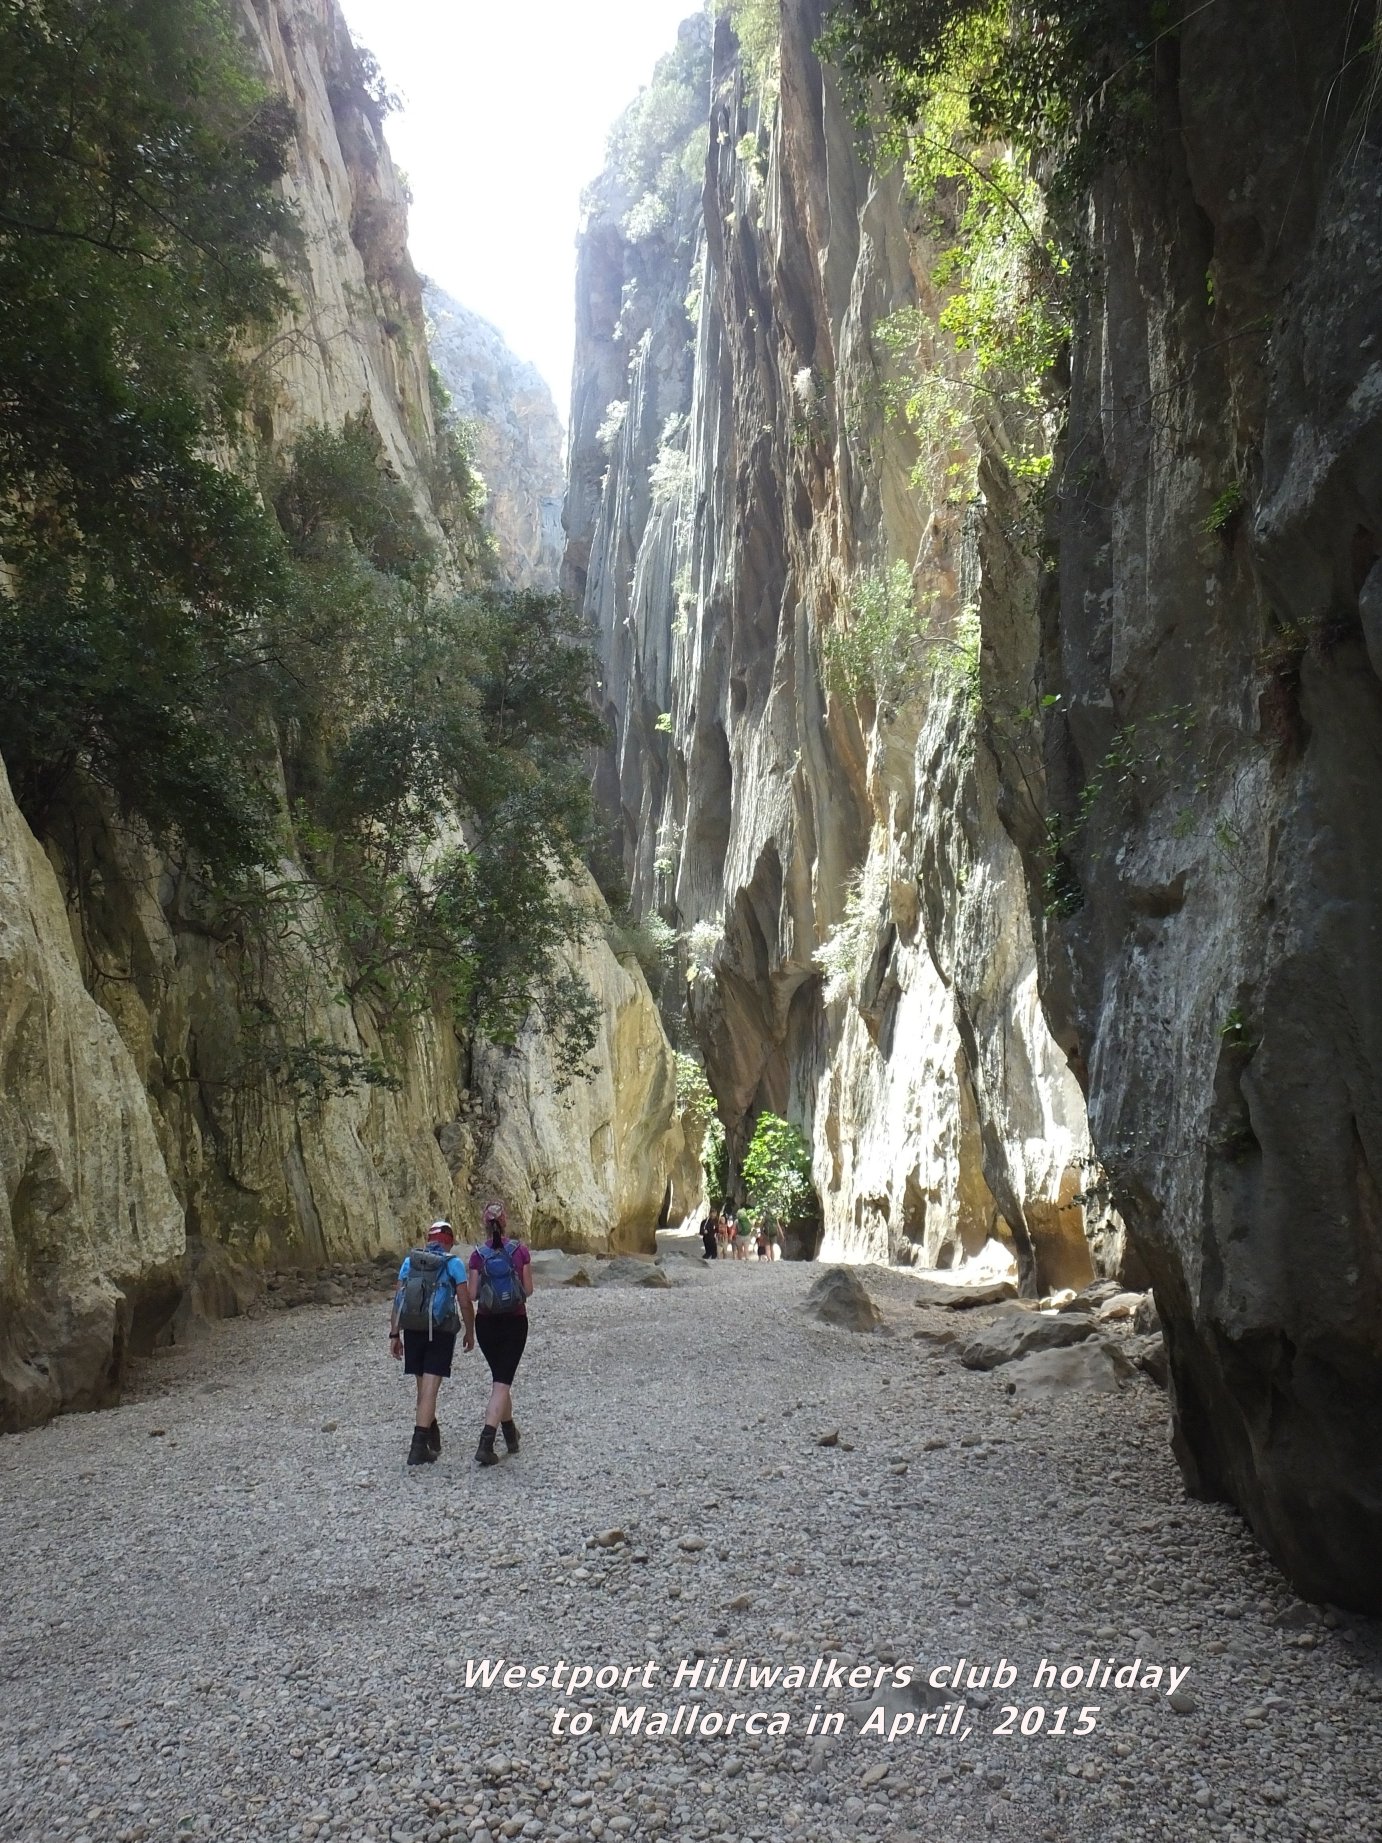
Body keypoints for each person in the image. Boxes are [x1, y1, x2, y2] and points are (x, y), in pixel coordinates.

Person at [389, 1219, 474, 1466]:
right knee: (430, 1389)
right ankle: (418, 1447)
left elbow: (399, 1299)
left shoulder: (410, 1262)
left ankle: (431, 1432)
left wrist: (394, 1334)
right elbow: (465, 1302)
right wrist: (470, 1331)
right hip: (440, 1330)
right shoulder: (453, 1263)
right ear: (449, 1241)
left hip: (413, 1328)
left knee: (423, 1386)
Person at [467, 1201, 534, 1466]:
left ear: (484, 1225)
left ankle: (510, 1434)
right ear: (505, 1222)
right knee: (502, 1383)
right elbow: (528, 1290)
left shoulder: (477, 1255)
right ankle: (486, 1441)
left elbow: (473, 1294)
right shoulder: (520, 1251)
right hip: (514, 1323)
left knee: (500, 1379)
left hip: (486, 1324)